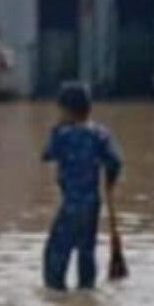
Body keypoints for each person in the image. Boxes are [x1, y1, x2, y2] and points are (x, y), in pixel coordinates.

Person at [41, 81, 123, 291]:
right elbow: (115, 162)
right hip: (93, 205)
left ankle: (56, 296)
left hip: (71, 205)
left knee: (55, 254)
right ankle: (87, 291)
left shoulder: (62, 134)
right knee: (86, 252)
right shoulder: (100, 133)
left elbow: (47, 155)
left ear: (67, 110)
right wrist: (110, 182)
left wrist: (56, 129)